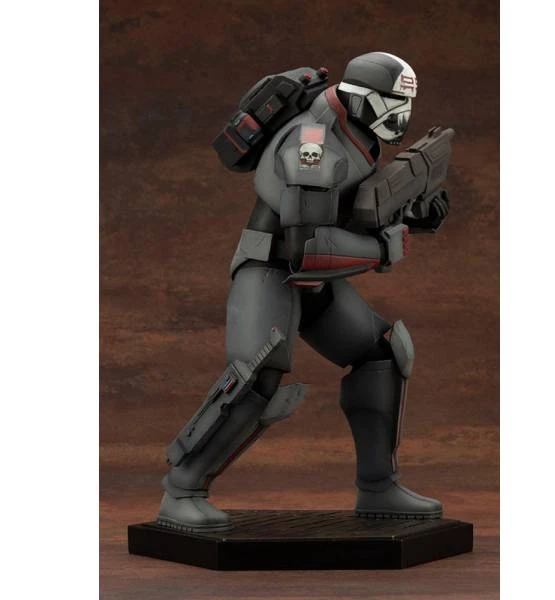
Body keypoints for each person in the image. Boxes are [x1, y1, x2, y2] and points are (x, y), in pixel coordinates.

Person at [157, 52, 450, 532]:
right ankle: (182, 489)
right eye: (393, 104)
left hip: (313, 282)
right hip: (270, 268)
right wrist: (382, 248)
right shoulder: (311, 144)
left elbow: (349, 205)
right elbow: (306, 247)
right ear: (364, 98)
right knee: (257, 375)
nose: (401, 117)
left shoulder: (357, 128)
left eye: (406, 105)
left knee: (382, 355)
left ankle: (379, 487)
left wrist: (413, 212)